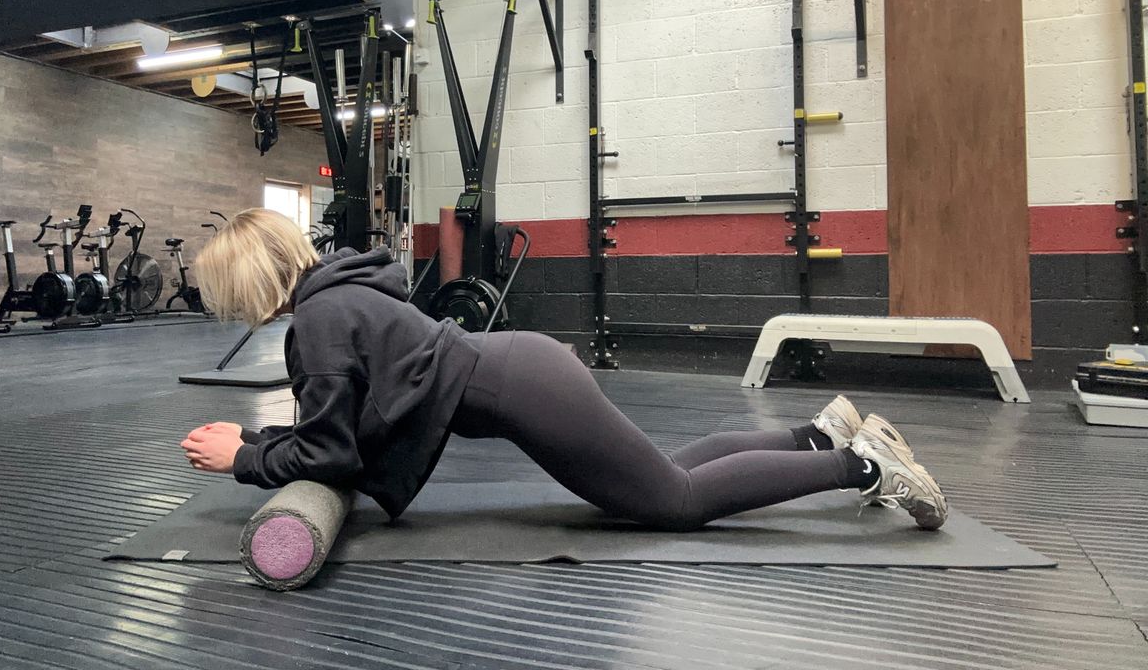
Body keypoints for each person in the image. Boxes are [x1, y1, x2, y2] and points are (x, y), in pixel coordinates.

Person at [180, 209, 948, 531]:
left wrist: (244, 456)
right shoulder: (340, 293)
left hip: (523, 385)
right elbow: (340, 425)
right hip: (524, 368)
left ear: (247, 281)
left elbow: (332, 450)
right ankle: (817, 433)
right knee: (669, 469)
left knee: (673, 502)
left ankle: (859, 466)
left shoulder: (317, 324)